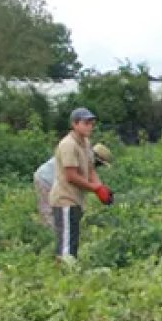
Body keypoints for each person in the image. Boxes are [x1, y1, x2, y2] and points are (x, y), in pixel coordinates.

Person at [50, 107, 114, 262]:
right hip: (65, 198)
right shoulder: (68, 145)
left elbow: (90, 169)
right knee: (66, 244)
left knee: (72, 239)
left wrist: (101, 188)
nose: (90, 126)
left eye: (91, 123)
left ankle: (69, 272)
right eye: (86, 123)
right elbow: (71, 176)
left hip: (76, 199)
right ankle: (65, 277)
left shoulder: (85, 142)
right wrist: (96, 189)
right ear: (75, 124)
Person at [34, 142, 112, 231]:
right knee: (48, 211)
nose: (98, 166)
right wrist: (97, 190)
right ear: (96, 159)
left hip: (55, 181)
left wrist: (101, 190)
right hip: (45, 179)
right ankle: (48, 235)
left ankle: (56, 231)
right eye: (99, 164)